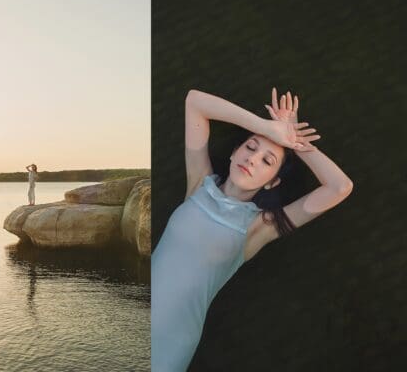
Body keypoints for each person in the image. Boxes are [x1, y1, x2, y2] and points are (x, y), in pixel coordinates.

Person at [151, 88, 353, 371]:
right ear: (235, 152)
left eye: (267, 161)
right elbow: (194, 101)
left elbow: (339, 187)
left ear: (272, 183)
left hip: (171, 340)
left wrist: (295, 139)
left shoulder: (260, 226)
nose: (252, 159)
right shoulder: (198, 183)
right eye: (250, 147)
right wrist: (266, 127)